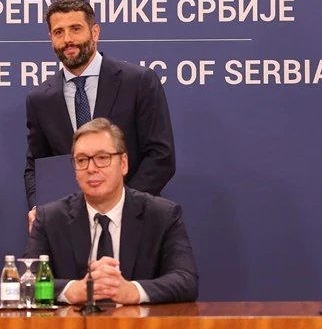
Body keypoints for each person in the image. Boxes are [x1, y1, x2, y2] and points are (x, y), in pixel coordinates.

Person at [25, 0, 175, 230]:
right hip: (70, 228)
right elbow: (36, 164)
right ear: (51, 38)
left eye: (76, 29)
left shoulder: (138, 82)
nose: (68, 39)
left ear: (95, 32)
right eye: (59, 32)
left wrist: (120, 207)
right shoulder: (40, 99)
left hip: (135, 223)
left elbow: (161, 156)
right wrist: (40, 208)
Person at [24, 118, 198, 305]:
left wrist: (133, 291)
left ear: (123, 163)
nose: (91, 169)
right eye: (82, 160)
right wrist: (71, 290)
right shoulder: (50, 219)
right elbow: (27, 283)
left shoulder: (162, 216)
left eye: (102, 158)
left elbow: (186, 280)